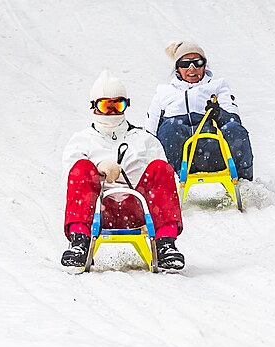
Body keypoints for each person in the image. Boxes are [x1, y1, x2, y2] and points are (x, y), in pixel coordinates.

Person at [61, 70, 185, 270]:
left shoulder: (143, 139)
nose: (111, 112)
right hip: (98, 211)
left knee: (161, 168)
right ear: (94, 107)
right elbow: (70, 180)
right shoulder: (81, 140)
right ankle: (79, 242)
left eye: (117, 105)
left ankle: (166, 245)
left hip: (138, 209)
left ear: (126, 105)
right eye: (105, 105)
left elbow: (166, 182)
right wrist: (98, 170)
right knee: (81, 167)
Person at [145, 40, 254, 180]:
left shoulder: (218, 86)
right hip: (178, 150)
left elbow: (235, 121)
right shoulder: (164, 91)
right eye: (185, 64)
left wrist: (219, 114)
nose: (192, 69)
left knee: (234, 129)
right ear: (177, 68)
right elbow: (150, 131)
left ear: (204, 65)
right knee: (169, 127)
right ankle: (168, 183)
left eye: (197, 63)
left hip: (212, 149)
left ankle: (245, 183)